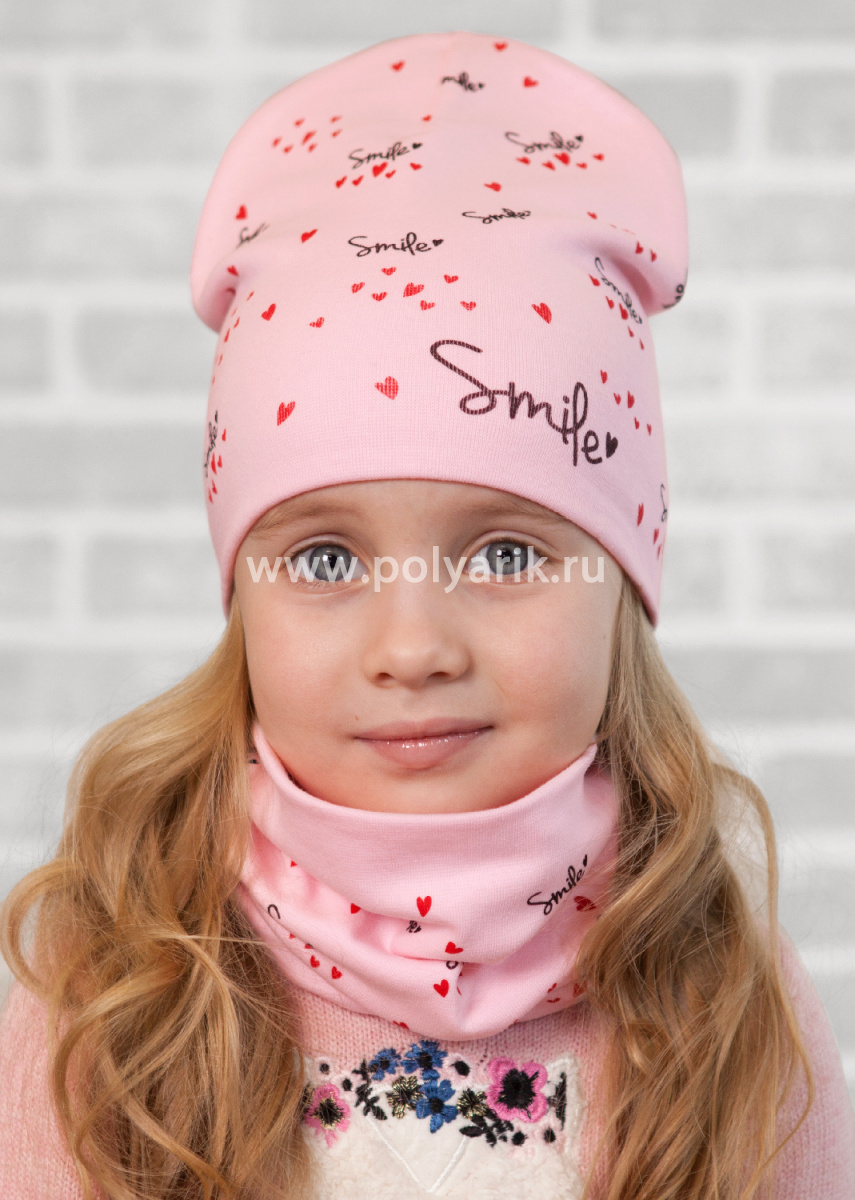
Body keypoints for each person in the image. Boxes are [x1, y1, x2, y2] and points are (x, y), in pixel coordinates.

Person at [0, 28, 853, 1200]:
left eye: (505, 552)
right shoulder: (116, 990)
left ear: (622, 584)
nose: (413, 649)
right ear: (242, 596)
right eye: (325, 558)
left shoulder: (720, 991)